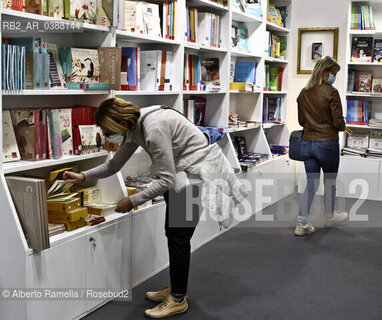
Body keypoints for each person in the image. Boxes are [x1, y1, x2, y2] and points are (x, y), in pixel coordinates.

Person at [63, 98, 247, 318]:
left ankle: (178, 299)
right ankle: (177, 287)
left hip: (190, 178)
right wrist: (83, 176)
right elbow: (113, 165)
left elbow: (167, 179)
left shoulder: (153, 129)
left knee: (179, 237)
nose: (107, 135)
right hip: (181, 174)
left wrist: (132, 200)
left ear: (118, 123)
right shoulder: (135, 127)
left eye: (106, 130)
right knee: (173, 234)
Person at [295, 56, 348, 236]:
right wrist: (343, 125)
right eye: (333, 73)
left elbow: (301, 121)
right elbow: (338, 122)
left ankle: (302, 223)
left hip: (307, 144)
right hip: (326, 144)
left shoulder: (303, 93)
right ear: (325, 72)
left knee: (311, 183)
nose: (334, 77)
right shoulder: (331, 92)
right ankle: (330, 215)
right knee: (330, 181)